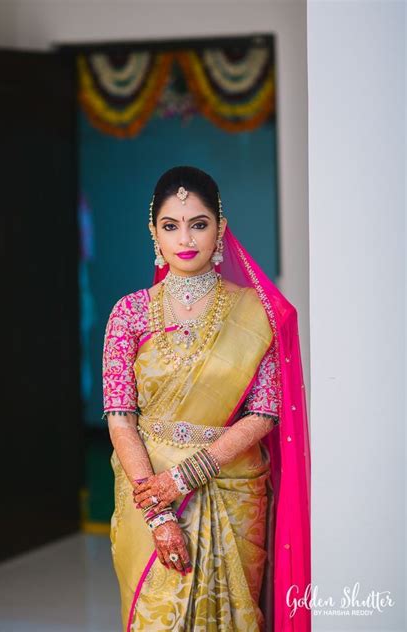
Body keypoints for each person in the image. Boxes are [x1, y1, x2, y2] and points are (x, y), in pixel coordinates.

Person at [101, 166, 311, 631]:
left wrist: (188, 473)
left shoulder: (257, 313)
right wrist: (158, 512)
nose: (186, 238)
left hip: (231, 486)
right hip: (147, 489)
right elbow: (120, 419)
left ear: (220, 228)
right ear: (153, 232)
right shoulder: (129, 313)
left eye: (198, 223)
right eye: (171, 226)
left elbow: (266, 411)